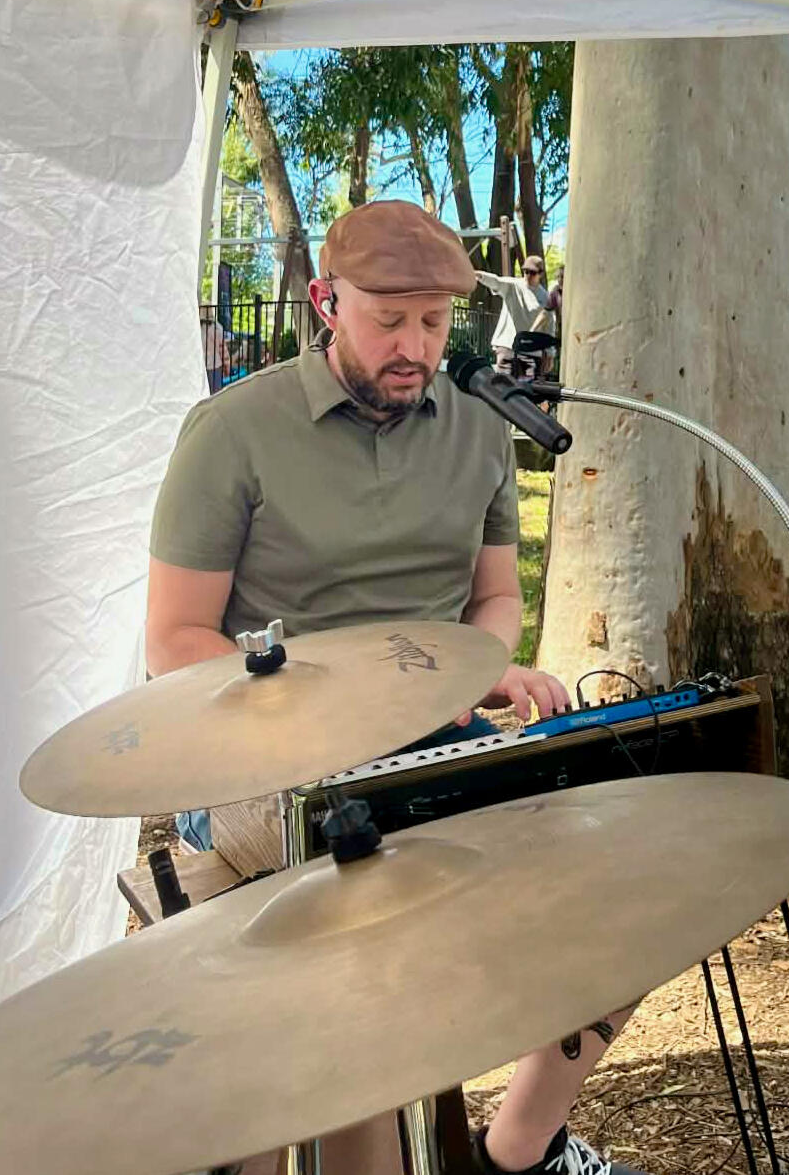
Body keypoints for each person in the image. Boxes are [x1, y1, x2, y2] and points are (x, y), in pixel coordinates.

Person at [146, 201, 643, 1175]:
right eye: (389, 320)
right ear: (328, 303)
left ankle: (514, 1151)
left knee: (642, 870)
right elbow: (171, 638)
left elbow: (495, 599)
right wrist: (318, 700)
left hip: (430, 728)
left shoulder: (476, 430)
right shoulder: (233, 430)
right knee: (369, 948)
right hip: (264, 754)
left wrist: (486, 662)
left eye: (434, 321)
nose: (415, 346)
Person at [478, 252, 552, 374]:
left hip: (530, 351)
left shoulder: (545, 298)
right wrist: (479, 276)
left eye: (532, 272)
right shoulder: (513, 286)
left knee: (524, 387)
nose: (528, 275)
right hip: (507, 346)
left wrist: (549, 354)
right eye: (525, 271)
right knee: (503, 385)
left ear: (541, 274)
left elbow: (548, 327)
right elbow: (496, 281)